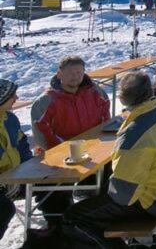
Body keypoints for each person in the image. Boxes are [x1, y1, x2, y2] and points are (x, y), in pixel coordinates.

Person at [61, 71, 156, 248]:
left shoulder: (133, 136)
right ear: (151, 91)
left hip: (155, 201)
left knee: (73, 218)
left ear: (123, 100)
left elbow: (123, 195)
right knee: (103, 190)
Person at [30, 56, 111, 228]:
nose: (76, 77)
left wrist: (97, 144)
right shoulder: (46, 100)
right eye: (71, 73)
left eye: (79, 72)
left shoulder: (96, 92)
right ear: (59, 74)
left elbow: (106, 119)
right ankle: (58, 224)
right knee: (53, 190)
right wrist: (65, 149)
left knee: (111, 170)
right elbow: (41, 133)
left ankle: (97, 212)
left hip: (94, 151)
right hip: (58, 156)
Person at [0, 79, 32, 241]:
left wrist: (31, 166)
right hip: (4, 181)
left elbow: (22, 145)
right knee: (4, 208)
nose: (17, 98)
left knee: (54, 182)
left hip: (14, 175)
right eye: (12, 95)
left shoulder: (10, 119)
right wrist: (5, 181)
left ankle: (56, 227)